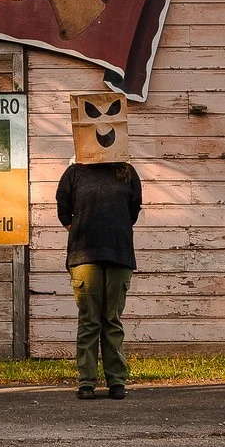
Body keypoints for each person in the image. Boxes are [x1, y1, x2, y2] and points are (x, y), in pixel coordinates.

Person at [56, 146, 142, 399]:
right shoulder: (75, 172)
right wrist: (86, 230)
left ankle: (117, 381)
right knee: (89, 320)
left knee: (112, 320)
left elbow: (132, 212)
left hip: (119, 255)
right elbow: (64, 211)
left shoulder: (126, 172)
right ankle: (87, 382)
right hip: (84, 256)